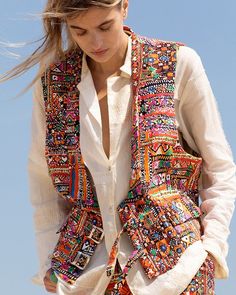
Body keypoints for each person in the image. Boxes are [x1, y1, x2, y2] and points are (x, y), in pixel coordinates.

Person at [1, 0, 236, 294]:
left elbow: (219, 166)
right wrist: (49, 261)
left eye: (104, 26)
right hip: (87, 275)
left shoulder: (177, 64)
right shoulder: (53, 84)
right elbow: (43, 182)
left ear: (124, 7)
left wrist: (212, 247)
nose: (95, 42)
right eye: (80, 31)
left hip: (177, 271)